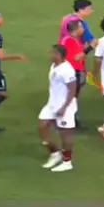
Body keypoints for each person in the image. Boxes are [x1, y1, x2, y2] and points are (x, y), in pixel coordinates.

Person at [38, 44, 78, 173]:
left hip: (65, 106)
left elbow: (72, 89)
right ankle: (55, 153)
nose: (51, 55)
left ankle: (67, 162)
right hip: (52, 104)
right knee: (42, 127)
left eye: (54, 53)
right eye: (51, 53)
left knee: (65, 134)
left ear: (61, 56)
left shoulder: (67, 70)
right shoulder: (54, 66)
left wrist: (64, 107)